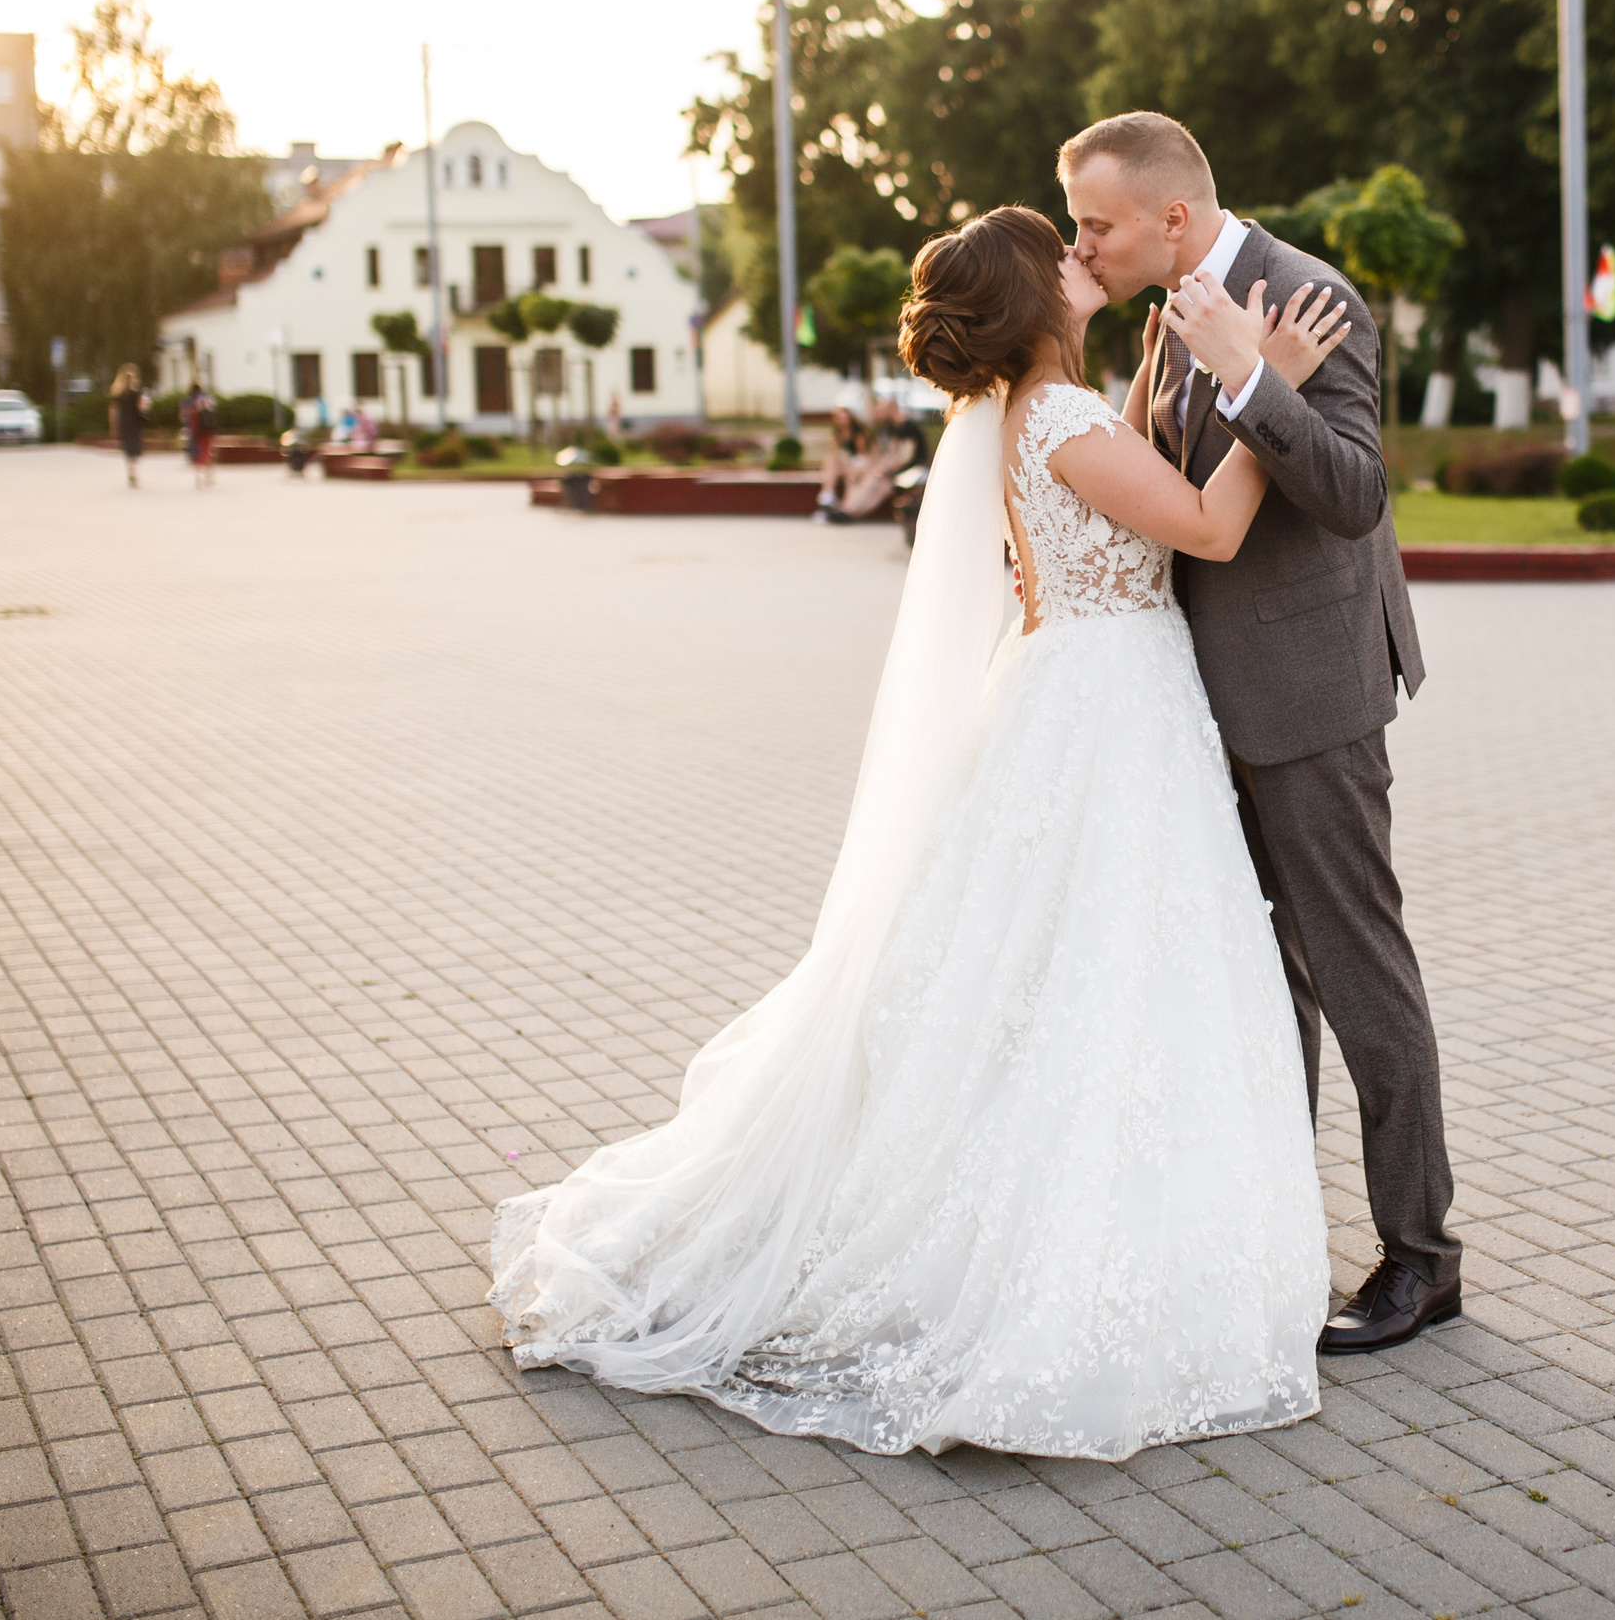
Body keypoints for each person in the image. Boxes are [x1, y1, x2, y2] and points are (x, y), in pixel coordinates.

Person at [489, 204, 1350, 1459]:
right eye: (1059, 253)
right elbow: (1212, 529)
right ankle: (1066, 1242)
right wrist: (1274, 390)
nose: (1080, 255)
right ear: (1037, 302)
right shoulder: (1054, 416)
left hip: (1099, 698)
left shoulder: (1031, 409)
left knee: (1082, 979)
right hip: (1107, 711)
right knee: (1103, 980)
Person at [1061, 111, 1461, 1354]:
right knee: (1255, 980)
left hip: (1307, 695)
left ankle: (1421, 1258)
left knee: (1355, 972)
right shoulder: (1163, 309)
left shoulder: (1305, 297)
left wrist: (1251, 377)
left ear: (1172, 219)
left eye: (1099, 224)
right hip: (1201, 703)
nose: (1085, 243)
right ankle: (1279, 1232)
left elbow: (1352, 495)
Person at [112, 366, 148, 488]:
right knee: (135, 447)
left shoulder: (119, 394)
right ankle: (134, 470)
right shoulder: (136, 393)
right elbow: (142, 407)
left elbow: (114, 411)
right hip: (134, 423)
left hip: (124, 423)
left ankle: (131, 470)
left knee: (128, 447)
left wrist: (113, 425)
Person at [182, 386, 218, 487]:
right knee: (208, 452)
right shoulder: (206, 399)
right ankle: (206, 475)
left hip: (195, 433)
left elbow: (183, 416)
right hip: (206, 431)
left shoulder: (187, 403)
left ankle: (200, 476)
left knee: (199, 454)